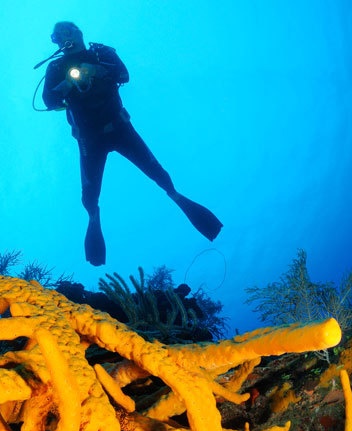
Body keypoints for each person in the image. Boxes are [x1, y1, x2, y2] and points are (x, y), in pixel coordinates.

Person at [42, 21, 223, 266]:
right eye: (57, 36)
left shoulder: (101, 53)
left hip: (120, 129)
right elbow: (49, 101)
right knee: (90, 195)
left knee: (158, 173)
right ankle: (93, 216)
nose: (64, 38)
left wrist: (95, 70)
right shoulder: (55, 67)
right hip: (89, 139)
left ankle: (175, 196)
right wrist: (67, 82)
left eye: (67, 31)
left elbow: (124, 75)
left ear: (79, 33)